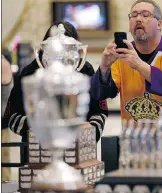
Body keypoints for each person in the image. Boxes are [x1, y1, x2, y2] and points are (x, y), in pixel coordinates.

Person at [3, 21, 108, 164]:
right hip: (36, 156)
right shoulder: (30, 73)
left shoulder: (86, 71)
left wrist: (88, 132)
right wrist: (40, 130)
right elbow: (12, 116)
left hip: (79, 154)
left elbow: (99, 111)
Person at [90, 0, 162, 141]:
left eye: (145, 15)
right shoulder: (121, 56)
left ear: (159, 24)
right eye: (134, 15)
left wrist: (139, 65)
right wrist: (104, 68)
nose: (138, 19)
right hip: (135, 146)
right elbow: (99, 94)